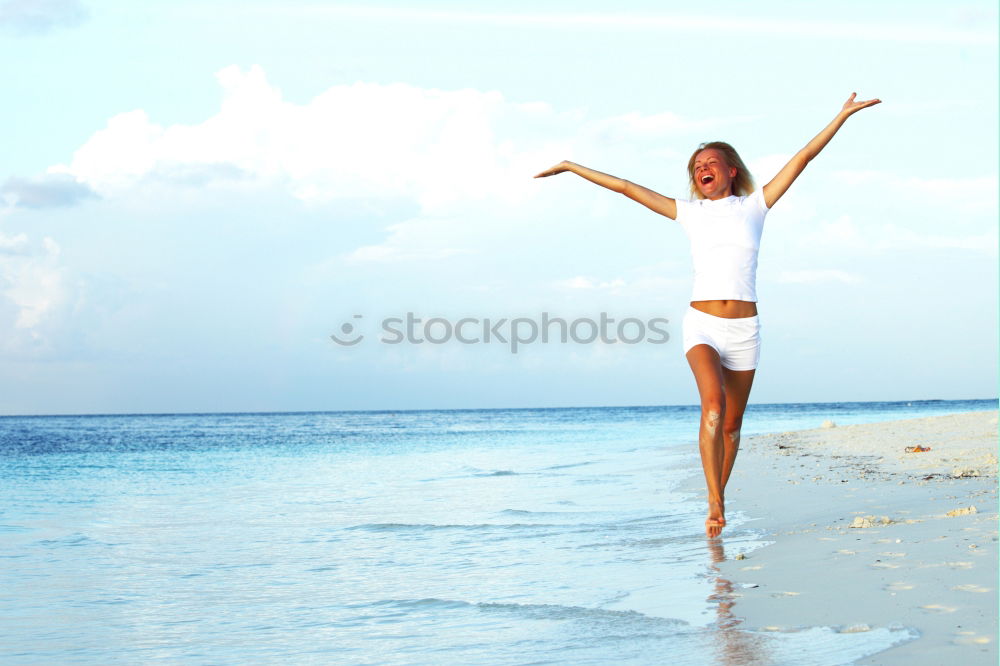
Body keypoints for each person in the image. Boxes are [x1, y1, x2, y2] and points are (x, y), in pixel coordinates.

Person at [534, 93, 881, 537]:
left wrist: (841, 117)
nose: (702, 169)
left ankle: (718, 498)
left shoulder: (755, 206)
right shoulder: (689, 213)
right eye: (696, 166)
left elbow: (804, 157)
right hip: (702, 324)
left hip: (745, 329)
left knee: (733, 426)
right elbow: (624, 186)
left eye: (710, 161)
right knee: (713, 408)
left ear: (730, 170)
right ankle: (715, 503)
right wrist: (570, 166)